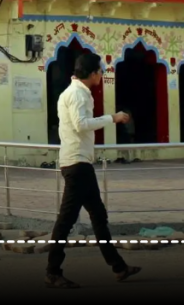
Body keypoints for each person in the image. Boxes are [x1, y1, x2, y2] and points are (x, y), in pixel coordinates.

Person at [44, 53, 140, 288]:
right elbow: (81, 124)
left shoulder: (74, 91)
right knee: (67, 220)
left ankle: (118, 266)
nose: (102, 74)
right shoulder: (78, 94)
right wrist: (112, 118)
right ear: (94, 73)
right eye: (100, 71)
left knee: (98, 215)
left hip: (79, 162)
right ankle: (52, 271)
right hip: (77, 164)